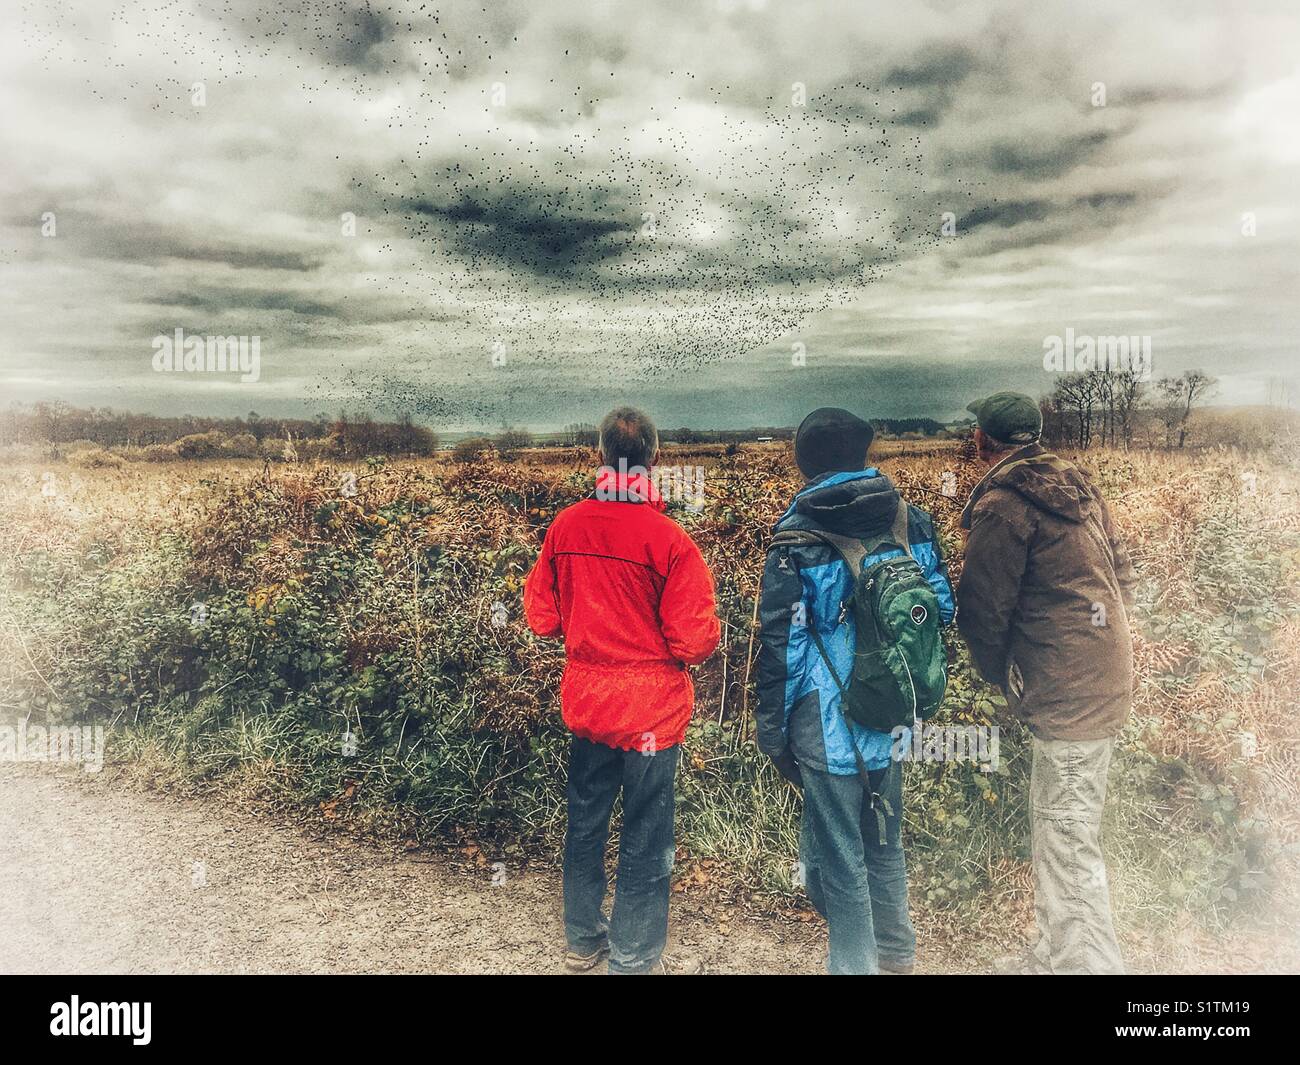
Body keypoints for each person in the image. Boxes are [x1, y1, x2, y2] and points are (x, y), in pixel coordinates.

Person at [755, 407, 955, 975]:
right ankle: (897, 957)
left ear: (804, 464)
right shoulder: (910, 522)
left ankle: (856, 966)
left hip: (825, 724)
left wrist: (774, 734)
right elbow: (940, 607)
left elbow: (782, 651)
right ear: (863, 454)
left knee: (838, 865)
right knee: (884, 847)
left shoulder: (794, 540)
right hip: (892, 711)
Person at [523, 405, 720, 975]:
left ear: (600, 457)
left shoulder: (565, 527)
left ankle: (583, 939)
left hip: (589, 706)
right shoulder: (671, 541)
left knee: (584, 821)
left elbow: (541, 617)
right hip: (652, 718)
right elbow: (692, 642)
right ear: (655, 460)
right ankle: (633, 956)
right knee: (647, 831)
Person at [956, 391, 1136, 975]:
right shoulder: (1074, 484)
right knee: (1059, 827)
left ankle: (1087, 967)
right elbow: (1123, 570)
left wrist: (1001, 673)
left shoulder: (1004, 505)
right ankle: (1053, 956)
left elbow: (982, 608)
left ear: (983, 440)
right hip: (1092, 674)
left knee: (1067, 838)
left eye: (975, 432)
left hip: (1066, 690)